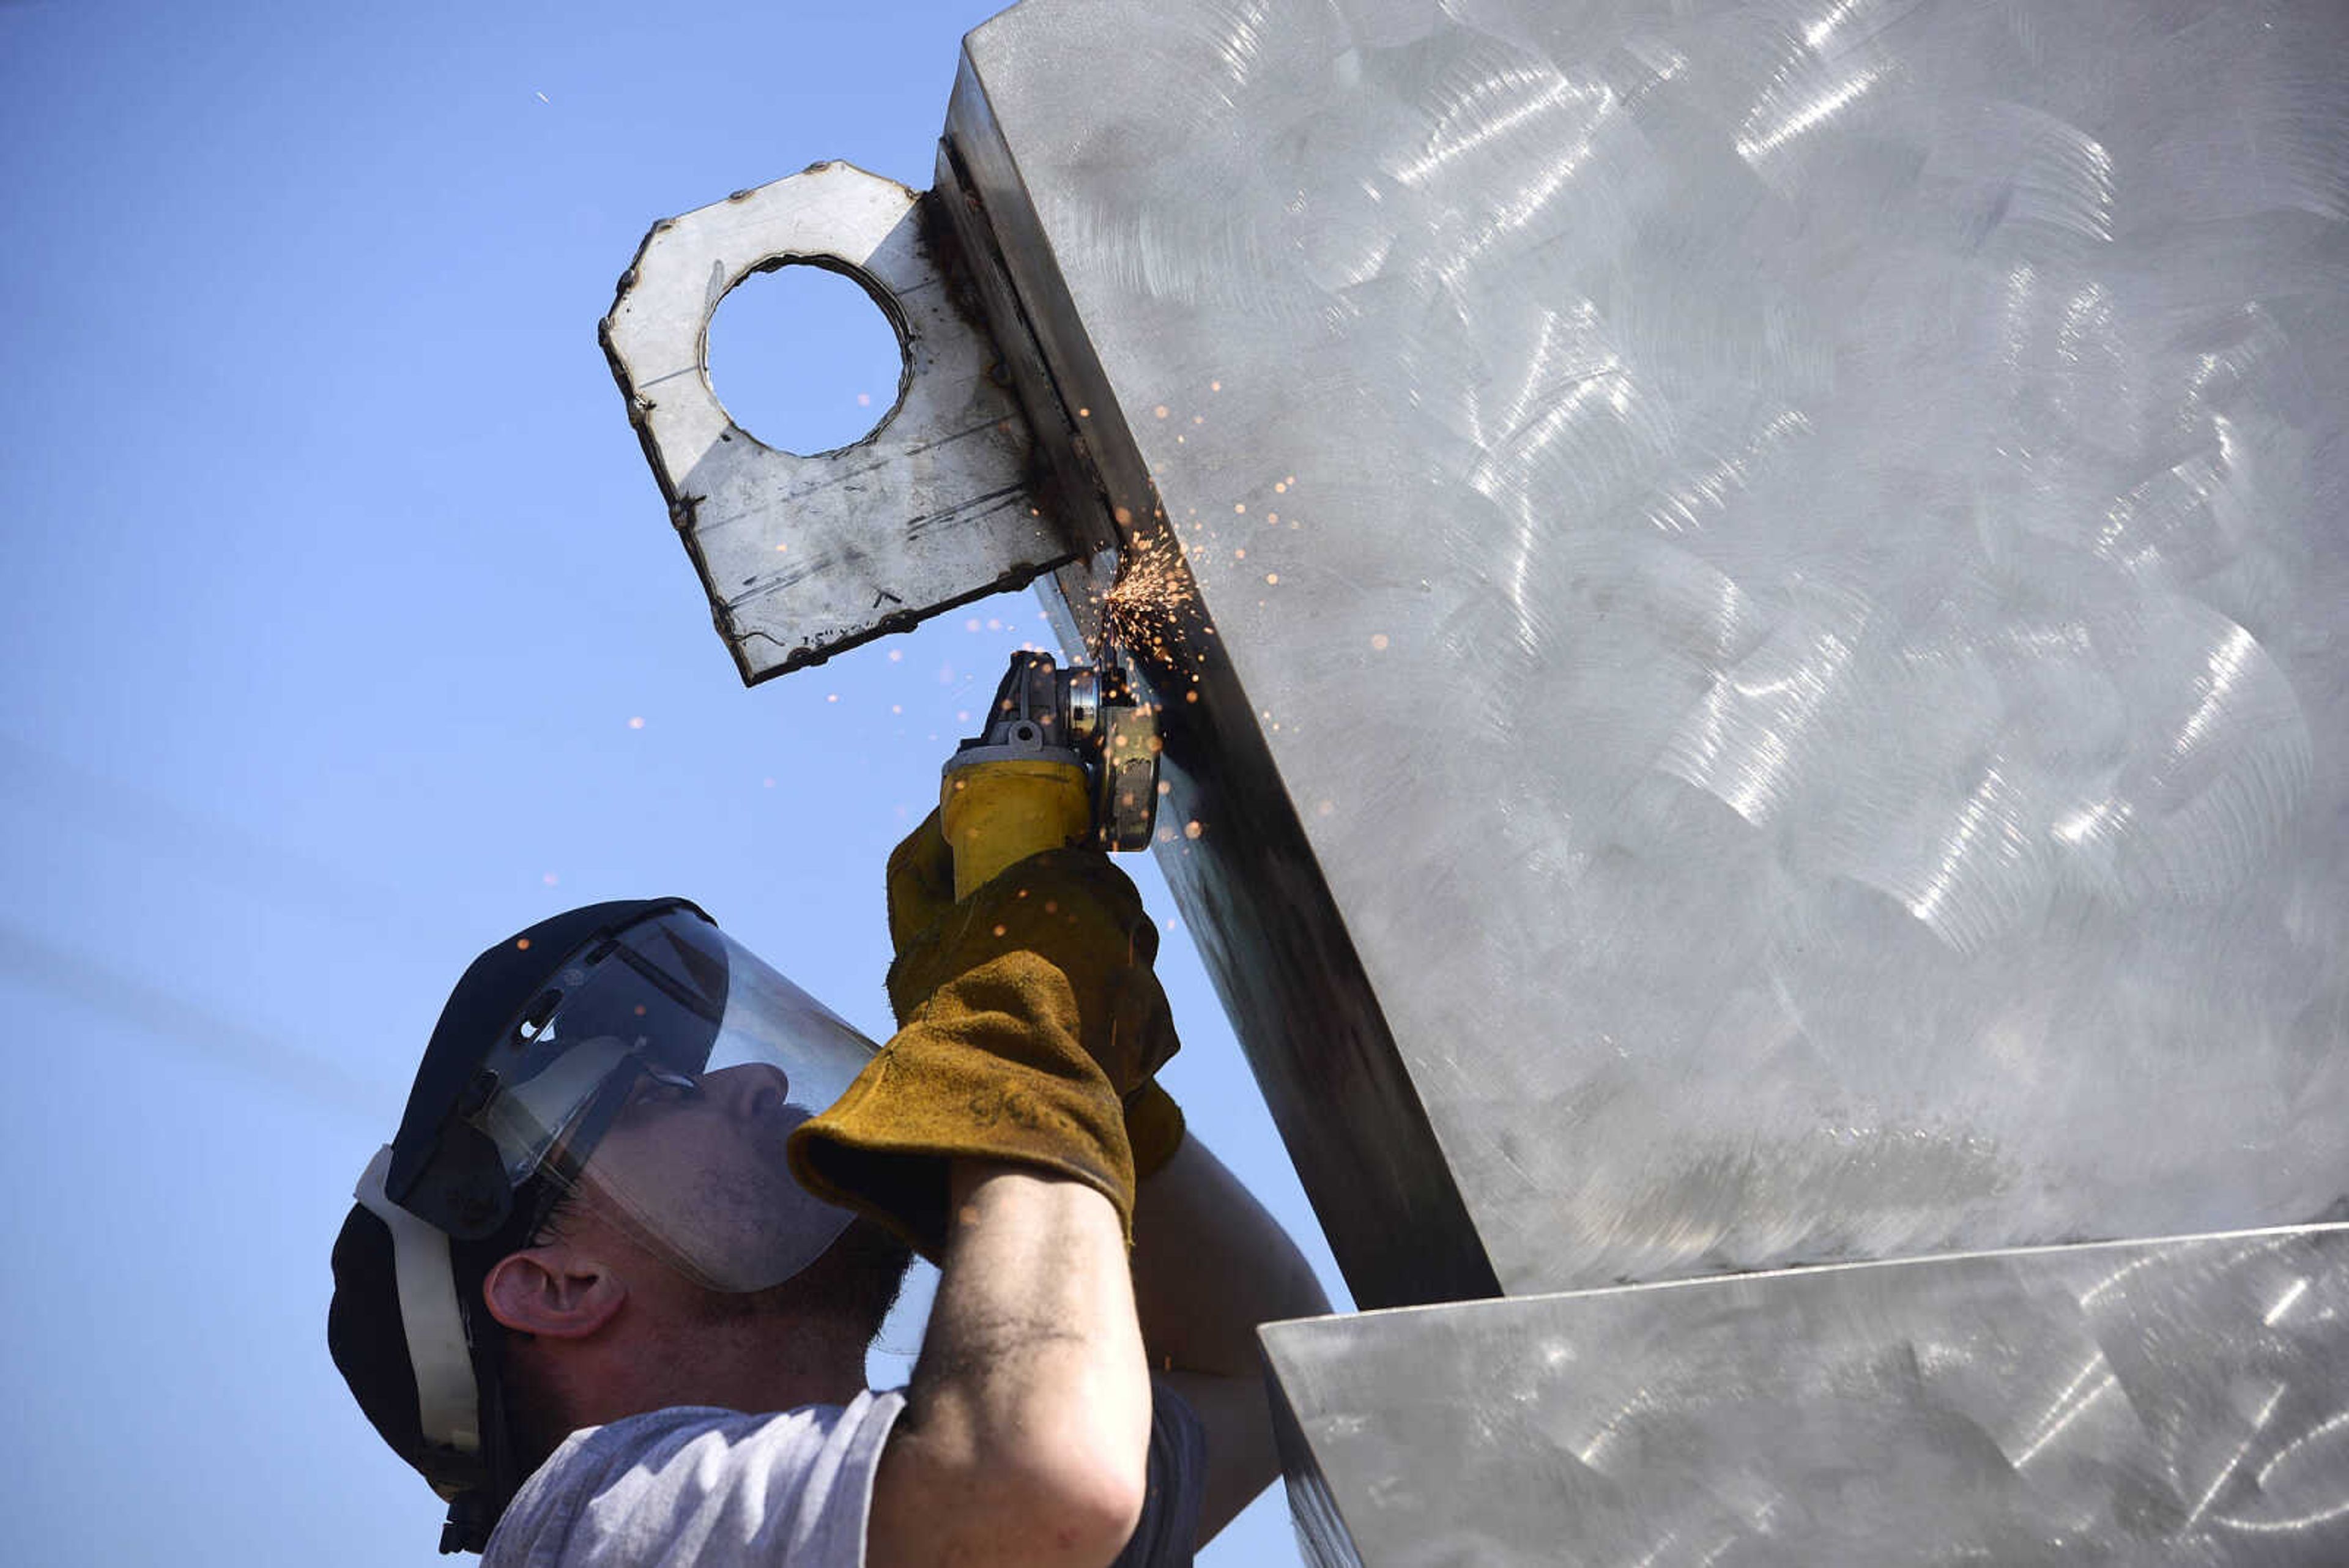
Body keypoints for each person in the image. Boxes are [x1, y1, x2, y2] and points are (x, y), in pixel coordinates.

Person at [328, 811, 1330, 1566]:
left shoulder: (904, 1504)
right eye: (653, 1096)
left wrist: (1104, 1084)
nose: (757, 1077)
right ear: (558, 1286)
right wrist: (1023, 1042)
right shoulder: (600, 1524)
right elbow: (1041, 1479)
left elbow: (1271, 1367)